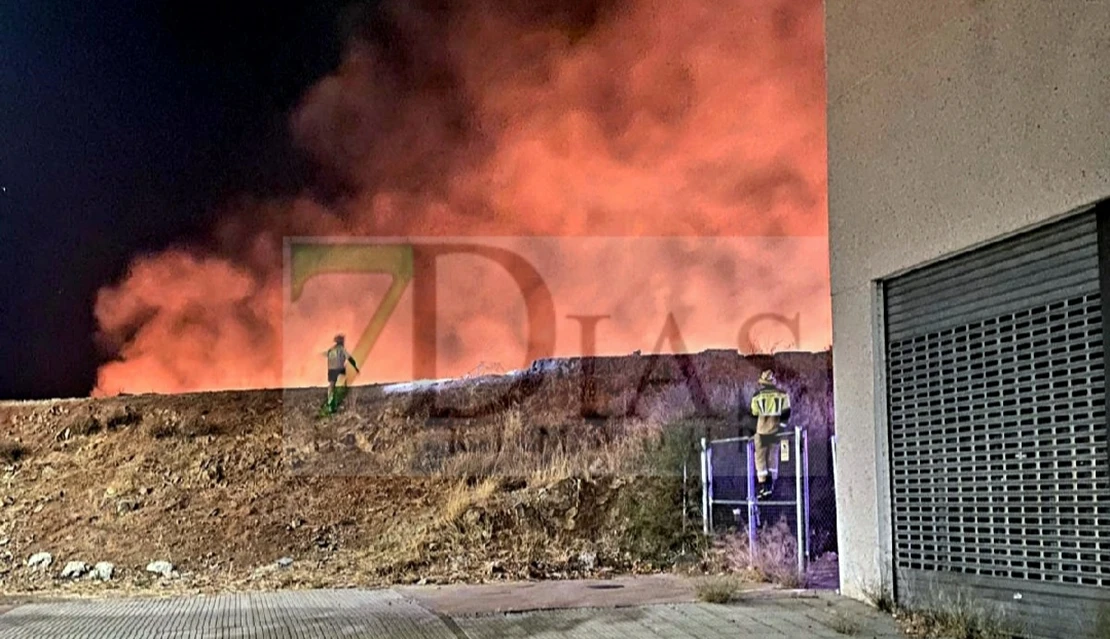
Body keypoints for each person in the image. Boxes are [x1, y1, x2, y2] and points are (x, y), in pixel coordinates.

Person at [749, 369, 791, 499]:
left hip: (761, 431)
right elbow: (786, 413)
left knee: (760, 459)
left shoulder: (757, 396)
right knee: (773, 457)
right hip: (776, 431)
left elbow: (754, 413)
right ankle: (771, 486)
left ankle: (763, 486)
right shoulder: (783, 395)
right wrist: (782, 427)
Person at [326, 334, 360, 410]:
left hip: (331, 369)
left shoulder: (331, 350)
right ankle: (344, 397)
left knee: (331, 385)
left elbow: (328, 359)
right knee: (345, 381)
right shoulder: (341, 349)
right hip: (339, 368)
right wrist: (355, 367)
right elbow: (349, 358)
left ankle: (330, 402)